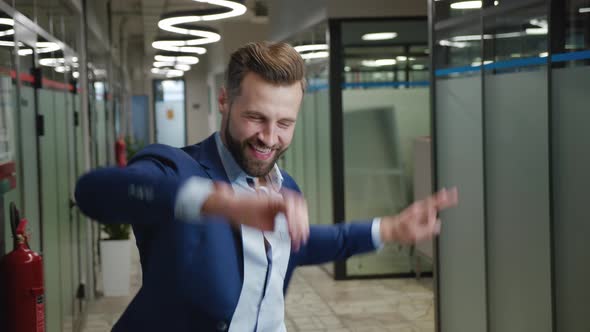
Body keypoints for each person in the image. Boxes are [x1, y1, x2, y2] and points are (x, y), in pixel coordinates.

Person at [75, 41, 458, 332]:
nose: (269, 138)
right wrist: (218, 202)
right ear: (224, 101)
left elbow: (294, 247)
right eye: (256, 117)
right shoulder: (179, 168)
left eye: (285, 123)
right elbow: (94, 192)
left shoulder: (284, 185)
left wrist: (389, 229)